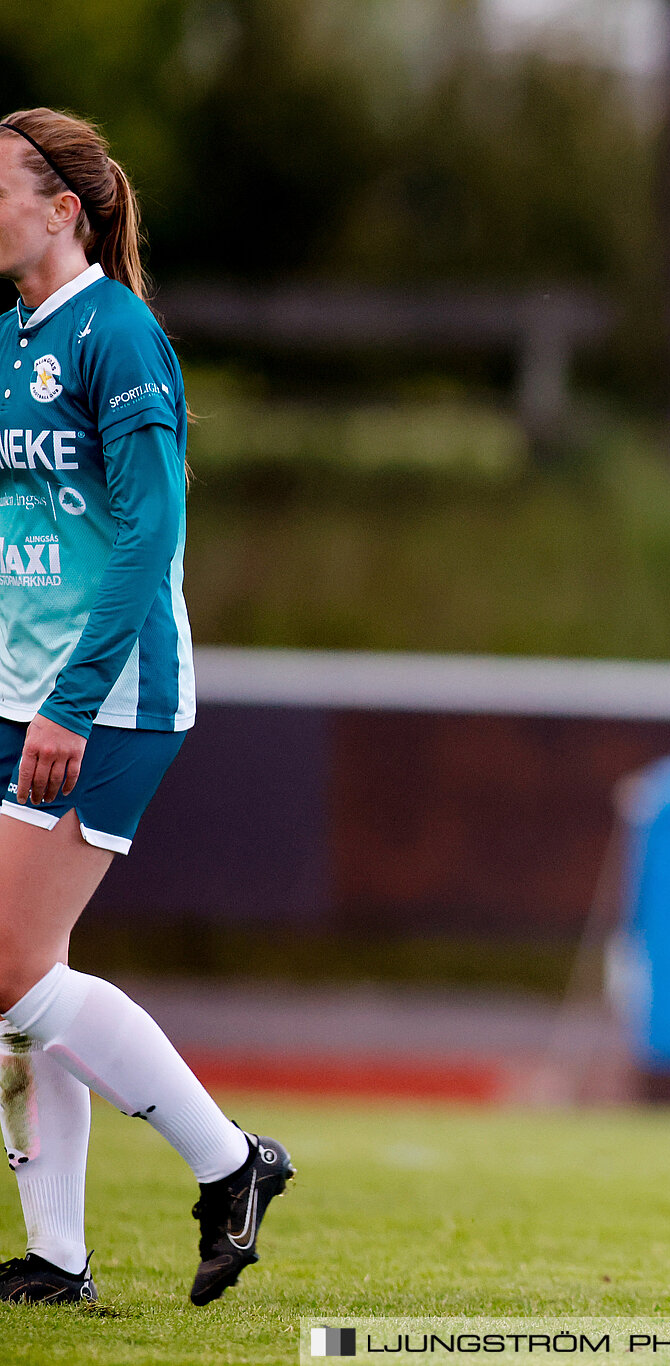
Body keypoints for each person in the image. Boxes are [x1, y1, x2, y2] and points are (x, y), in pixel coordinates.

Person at [0, 108, 293, 1308]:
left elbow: (148, 533)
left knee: (11, 971)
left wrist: (68, 701)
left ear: (63, 208)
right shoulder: (13, 337)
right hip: (25, 694)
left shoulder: (117, 336)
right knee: (22, 980)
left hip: (108, 698)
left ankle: (232, 1163)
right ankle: (60, 1258)